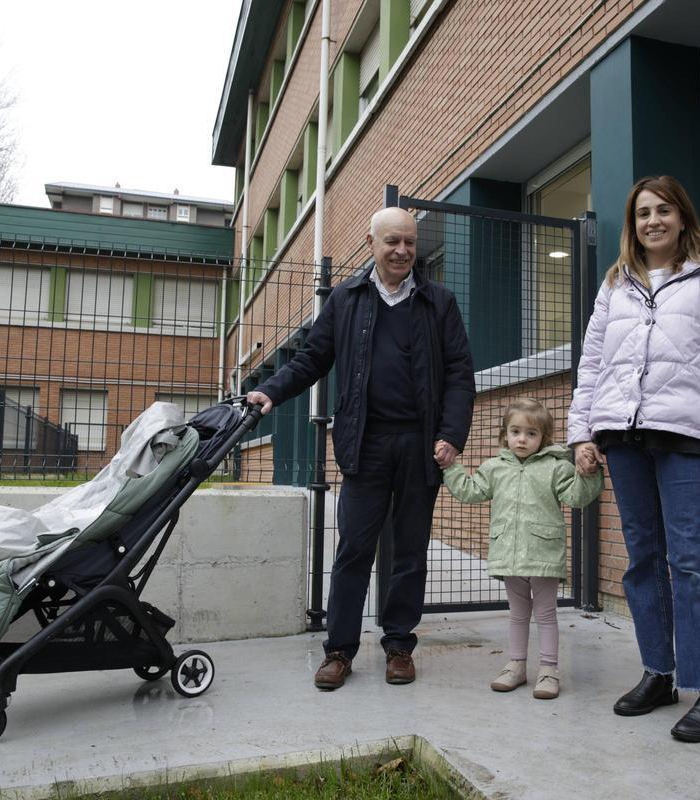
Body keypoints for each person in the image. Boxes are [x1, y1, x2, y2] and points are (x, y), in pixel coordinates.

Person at [247, 206, 475, 691]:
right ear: (371, 244)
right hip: (365, 442)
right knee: (354, 549)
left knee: (411, 552)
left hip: (421, 445)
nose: (402, 251)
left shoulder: (439, 303)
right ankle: (339, 650)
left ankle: (398, 645)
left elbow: (459, 373)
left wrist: (452, 434)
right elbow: (312, 357)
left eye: (410, 242)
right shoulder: (347, 299)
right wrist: (272, 391)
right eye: (392, 241)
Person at [567, 175, 700, 742]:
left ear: (681, 216)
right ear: (633, 223)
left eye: (663, 210)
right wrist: (582, 432)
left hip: (685, 439)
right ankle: (659, 672)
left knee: (691, 559)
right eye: (643, 213)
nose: (653, 221)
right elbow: (592, 360)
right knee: (643, 559)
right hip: (622, 438)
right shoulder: (616, 284)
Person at [443, 398, 602, 700]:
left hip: (542, 553)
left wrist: (589, 474)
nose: (522, 439)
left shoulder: (557, 467)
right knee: (517, 614)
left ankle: (549, 670)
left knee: (545, 613)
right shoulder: (494, 468)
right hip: (509, 552)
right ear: (505, 434)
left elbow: (577, 497)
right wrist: (451, 467)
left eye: (531, 433)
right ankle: (516, 666)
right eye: (516, 431)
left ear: (544, 437)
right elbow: (469, 491)